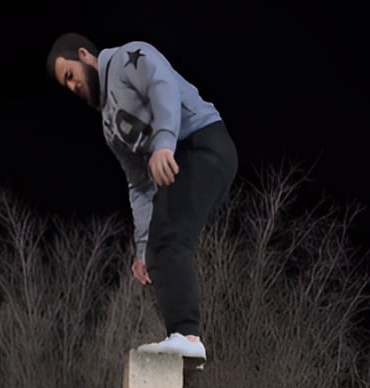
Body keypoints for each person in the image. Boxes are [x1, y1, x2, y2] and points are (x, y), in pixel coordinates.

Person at [46, 33, 238, 367]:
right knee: (160, 244)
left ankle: (188, 337)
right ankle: (181, 336)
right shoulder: (109, 126)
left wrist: (164, 141)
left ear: (84, 56)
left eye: (71, 76)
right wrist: (141, 248)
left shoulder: (127, 58)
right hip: (181, 162)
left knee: (170, 235)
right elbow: (139, 186)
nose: (74, 87)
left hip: (202, 142)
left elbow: (161, 84)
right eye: (67, 87)